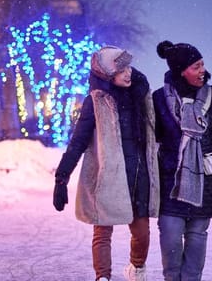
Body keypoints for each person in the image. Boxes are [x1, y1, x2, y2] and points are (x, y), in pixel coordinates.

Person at [52, 46, 159, 281]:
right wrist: (62, 177)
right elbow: (78, 141)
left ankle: (137, 268)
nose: (128, 73)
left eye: (128, 67)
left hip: (139, 176)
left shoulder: (142, 96)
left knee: (141, 233)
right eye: (121, 69)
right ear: (108, 74)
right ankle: (103, 276)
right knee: (102, 231)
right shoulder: (96, 101)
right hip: (108, 176)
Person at [152, 41, 212, 281]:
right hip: (171, 179)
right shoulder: (158, 98)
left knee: (198, 233)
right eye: (196, 66)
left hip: (207, 178)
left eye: (202, 65)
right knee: (170, 233)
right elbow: (151, 138)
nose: (202, 70)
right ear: (180, 70)